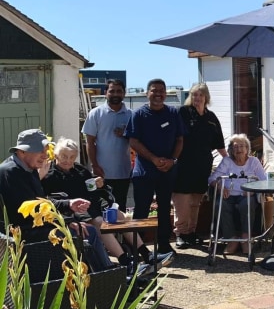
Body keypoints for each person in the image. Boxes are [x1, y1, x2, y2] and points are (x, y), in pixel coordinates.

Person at [41, 137, 173, 275]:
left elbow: (93, 187)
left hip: (93, 205)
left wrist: (99, 183)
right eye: (64, 156)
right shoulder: (49, 174)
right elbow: (49, 199)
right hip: (74, 211)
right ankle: (126, 262)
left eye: (72, 157)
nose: (68, 160)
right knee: (100, 223)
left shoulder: (79, 170)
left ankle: (147, 255)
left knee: (119, 215)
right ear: (56, 154)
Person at [0, 129, 113, 270]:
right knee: (81, 231)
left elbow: (42, 201)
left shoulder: (30, 168)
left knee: (89, 230)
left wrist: (69, 205)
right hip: (22, 233)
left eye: (46, 151)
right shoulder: (11, 172)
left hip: (36, 226)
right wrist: (63, 223)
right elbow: (27, 212)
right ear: (22, 152)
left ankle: (105, 274)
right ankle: (100, 275)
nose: (45, 155)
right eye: (40, 151)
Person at [125, 78, 184, 255]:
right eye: (154, 90)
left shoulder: (173, 113)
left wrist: (172, 160)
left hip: (167, 170)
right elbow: (133, 141)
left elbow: (180, 139)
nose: (158, 94)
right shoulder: (138, 114)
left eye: (161, 91)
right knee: (142, 210)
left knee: (165, 207)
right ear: (147, 93)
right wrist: (154, 159)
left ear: (166, 93)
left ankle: (164, 244)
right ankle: (138, 248)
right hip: (144, 171)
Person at [172, 83, 227, 249]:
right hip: (183, 164)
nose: (197, 98)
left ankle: (191, 232)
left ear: (206, 97)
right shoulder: (183, 112)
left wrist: (230, 161)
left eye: (200, 95)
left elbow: (219, 143)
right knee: (182, 201)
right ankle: (181, 233)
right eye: (194, 95)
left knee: (196, 202)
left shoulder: (211, 117)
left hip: (202, 165)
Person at [208, 134, 266, 254]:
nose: (238, 149)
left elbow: (264, 180)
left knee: (248, 204)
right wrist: (220, 187)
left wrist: (252, 189)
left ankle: (245, 239)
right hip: (228, 195)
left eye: (241, 146)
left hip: (246, 195)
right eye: (235, 147)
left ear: (247, 148)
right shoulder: (227, 161)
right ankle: (232, 240)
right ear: (231, 149)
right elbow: (212, 179)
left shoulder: (253, 161)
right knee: (220, 204)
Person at [81, 79, 132, 212]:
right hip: (101, 172)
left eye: (119, 91)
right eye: (112, 91)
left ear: (124, 93)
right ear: (105, 93)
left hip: (123, 172)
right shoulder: (95, 113)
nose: (115, 94)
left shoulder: (131, 115)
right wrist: (95, 165)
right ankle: (103, 234)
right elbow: (90, 142)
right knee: (101, 208)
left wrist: (126, 134)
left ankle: (120, 234)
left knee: (120, 207)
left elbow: (138, 141)